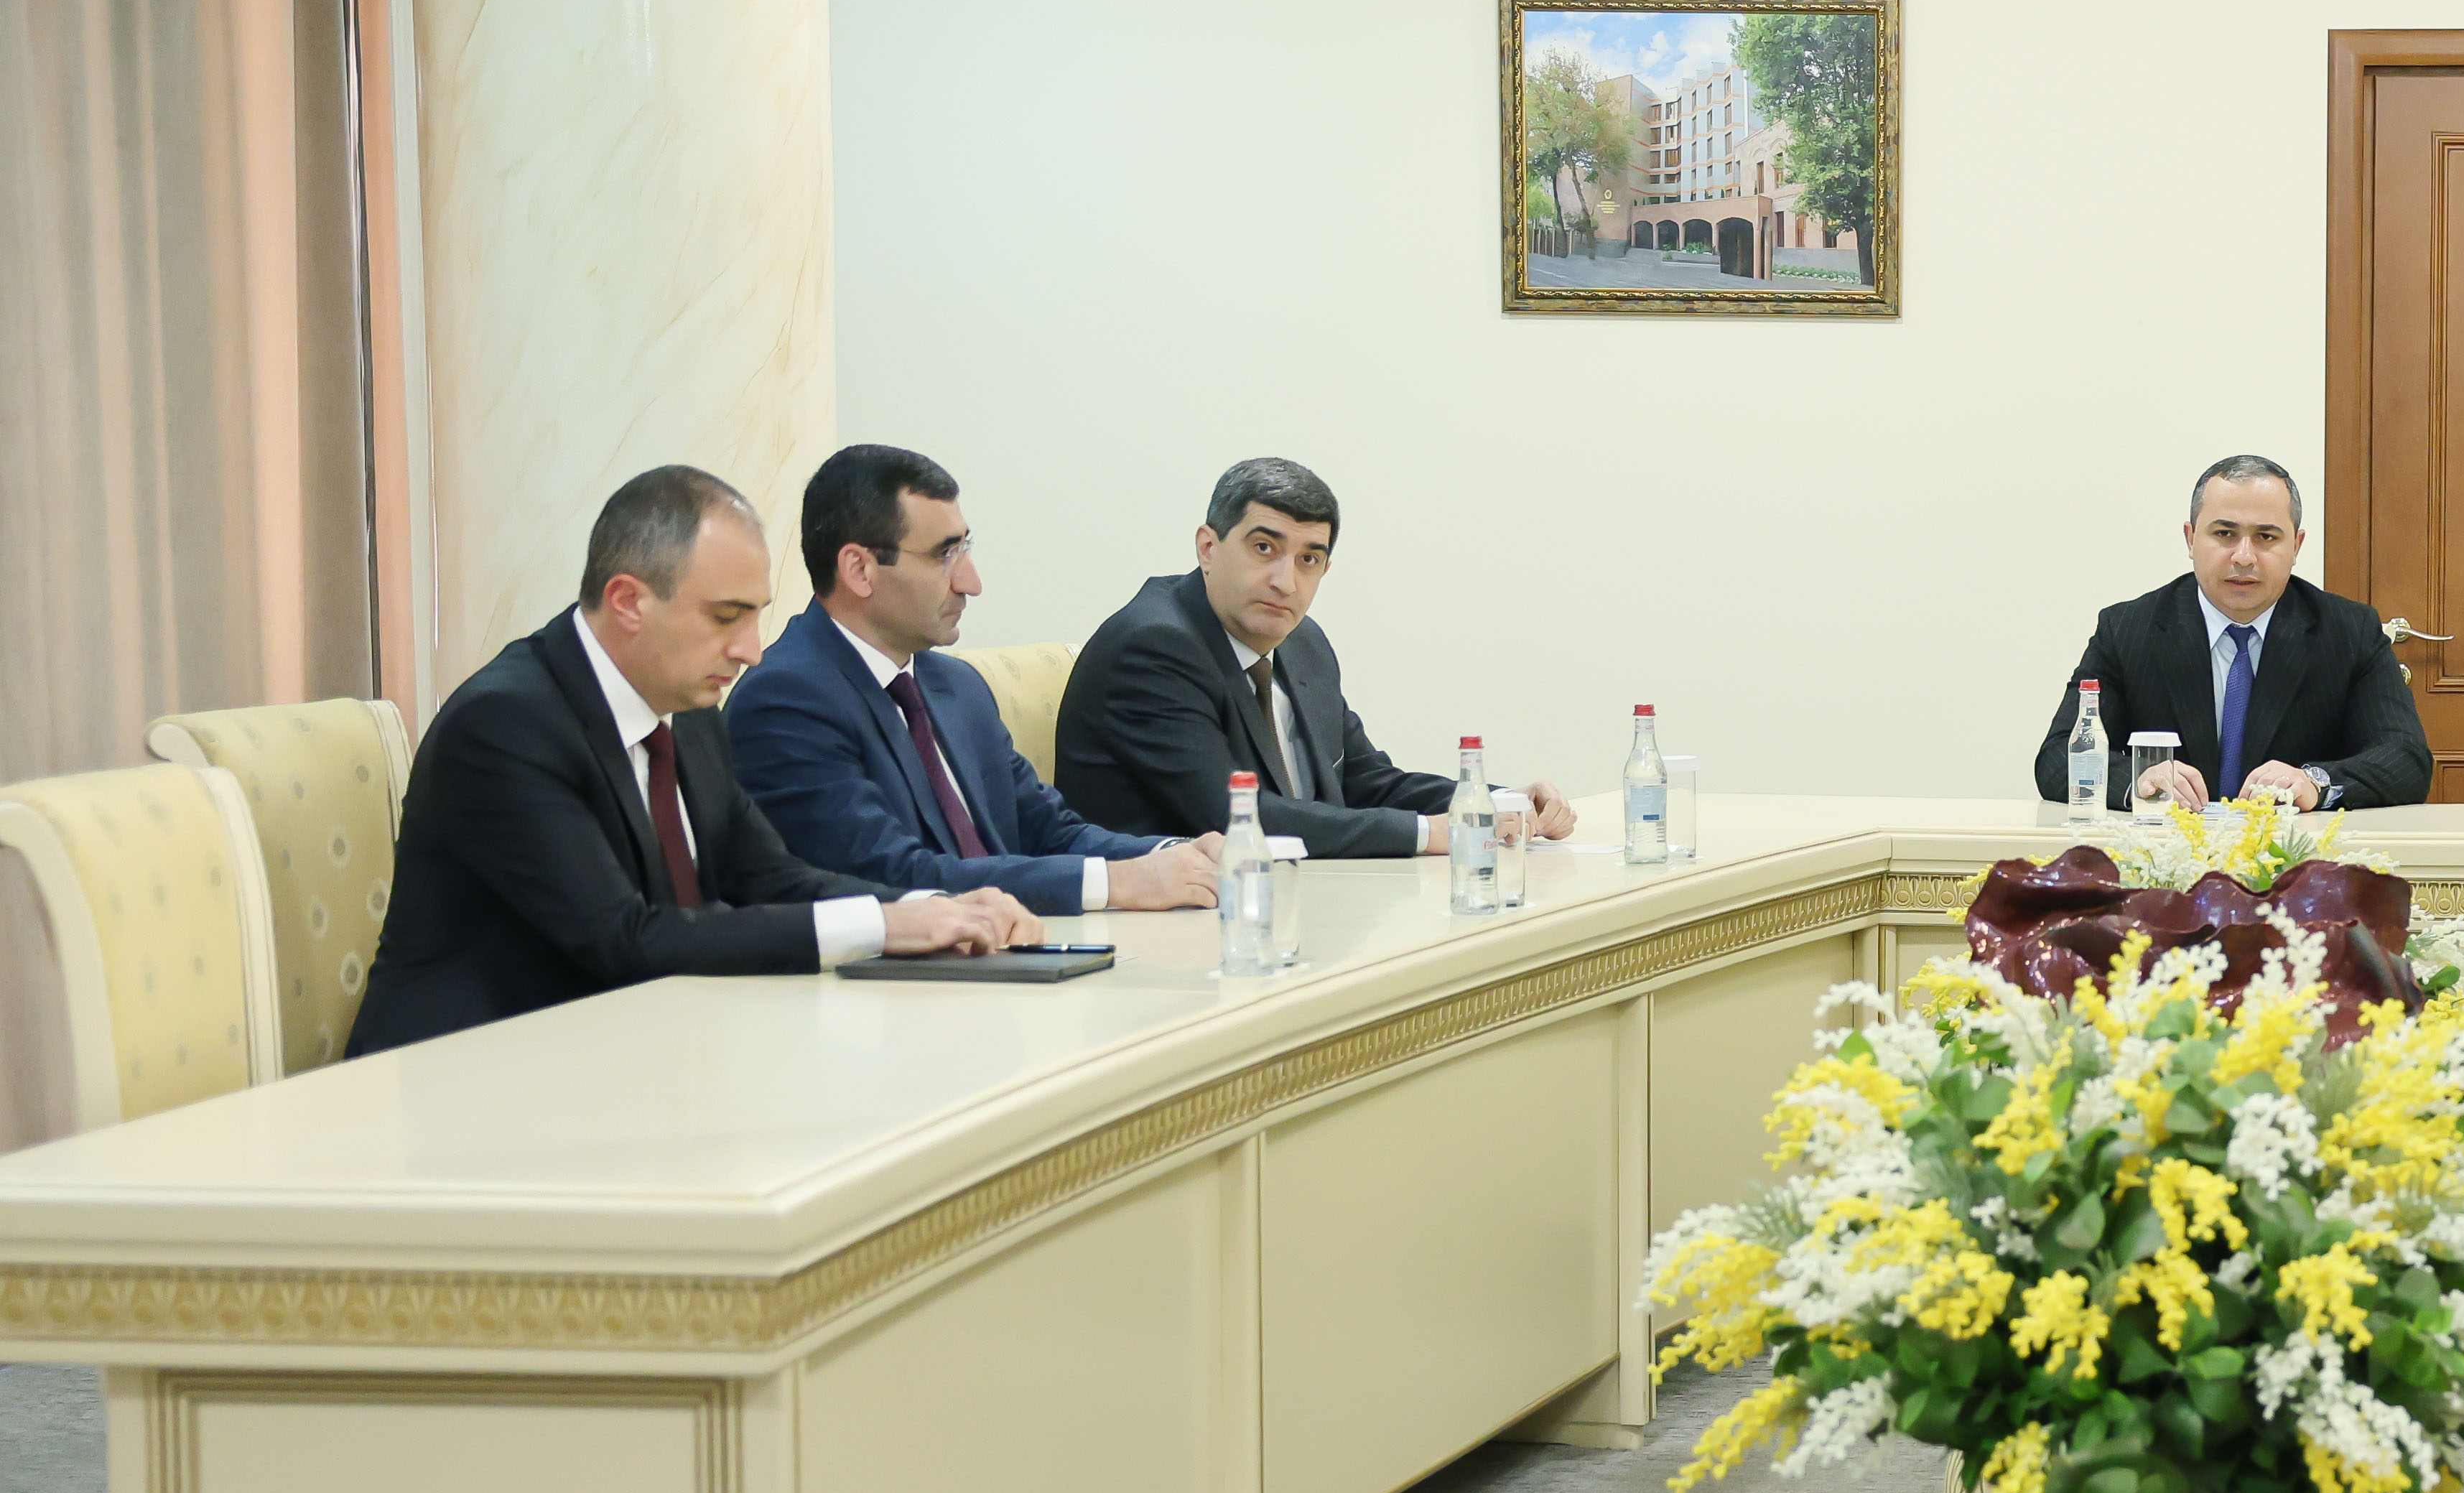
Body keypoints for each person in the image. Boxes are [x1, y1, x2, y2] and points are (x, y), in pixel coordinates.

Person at [346, 467, 1031, 1059]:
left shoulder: (689, 710)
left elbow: (768, 877)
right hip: (468, 1079)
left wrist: (930, 909)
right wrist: (883, 927)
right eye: (726, 617)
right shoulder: (506, 725)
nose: (751, 651)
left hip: (634, 1057)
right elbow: (624, 939)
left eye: (756, 616)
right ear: (628, 602)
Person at [727, 445, 1224, 915]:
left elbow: (1050, 832)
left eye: (965, 548)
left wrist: (1177, 855)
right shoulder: (786, 701)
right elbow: (896, 876)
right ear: (860, 569)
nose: (971, 582)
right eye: (944, 555)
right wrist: (1117, 883)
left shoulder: (956, 686)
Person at [1053, 457, 1575, 859]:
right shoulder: (1153, 648)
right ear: (1208, 548)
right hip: (1167, 927)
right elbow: (1238, 820)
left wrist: (1494, 803)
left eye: (1308, 559)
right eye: (1264, 548)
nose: (1286, 581)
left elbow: (1365, 782)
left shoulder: (1303, 643)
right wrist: (1430, 833)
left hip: (1291, 900)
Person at [2032, 455, 2430, 812]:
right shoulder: (2127, 629)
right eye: (2224, 534)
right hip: (2166, 855)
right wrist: (2137, 781)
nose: (2244, 557)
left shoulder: (2349, 631)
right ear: (2191, 539)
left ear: (2296, 545)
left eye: (2266, 537)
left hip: (2298, 855)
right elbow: (2057, 758)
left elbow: (2406, 759)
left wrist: (2316, 783)